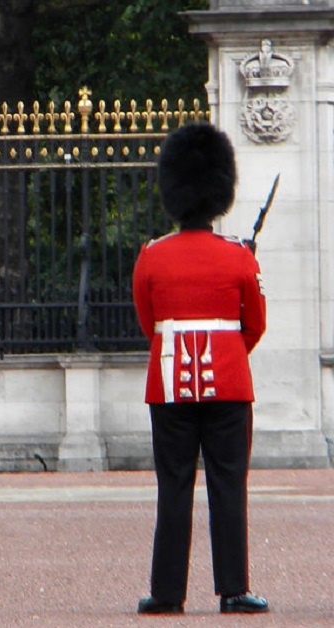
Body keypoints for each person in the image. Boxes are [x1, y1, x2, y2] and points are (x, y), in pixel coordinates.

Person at [132, 122, 269, 615]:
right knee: (229, 486)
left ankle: (168, 591)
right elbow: (254, 325)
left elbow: (149, 324)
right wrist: (227, 354)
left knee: (173, 488)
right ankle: (234, 589)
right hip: (230, 386)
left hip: (168, 385)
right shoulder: (238, 257)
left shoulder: (151, 256)